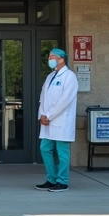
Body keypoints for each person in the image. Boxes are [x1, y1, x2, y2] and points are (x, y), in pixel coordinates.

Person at [36, 48, 78, 193]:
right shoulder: (50, 76)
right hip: (47, 120)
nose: (50, 59)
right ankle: (51, 179)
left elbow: (64, 100)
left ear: (62, 59)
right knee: (45, 148)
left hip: (61, 121)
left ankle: (62, 181)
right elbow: (43, 97)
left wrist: (49, 115)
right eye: (49, 57)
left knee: (62, 153)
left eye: (53, 56)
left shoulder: (70, 77)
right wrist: (42, 115)